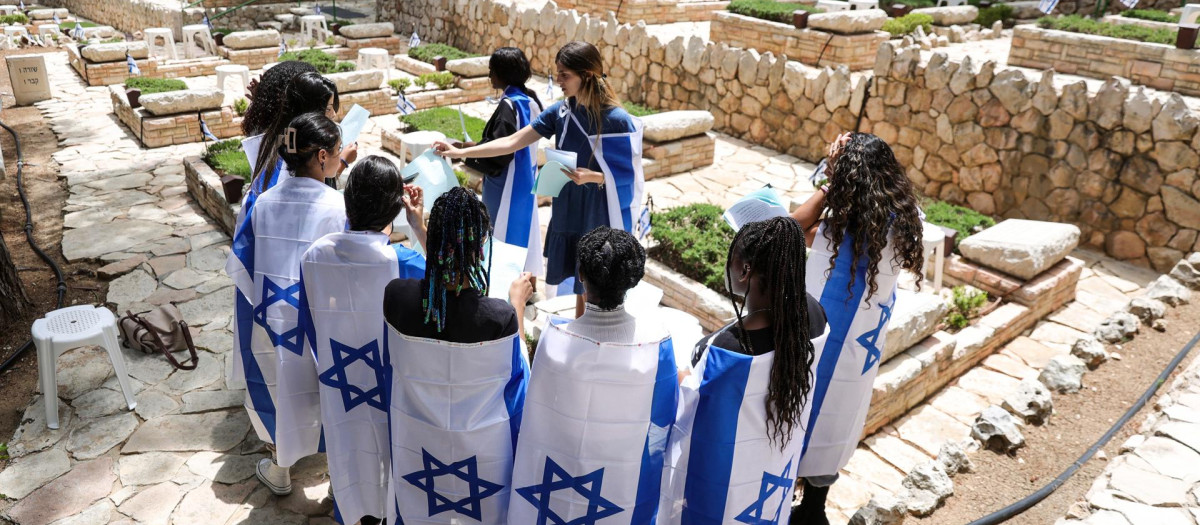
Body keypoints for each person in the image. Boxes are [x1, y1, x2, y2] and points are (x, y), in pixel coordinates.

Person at [435, 41, 645, 318]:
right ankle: (579, 328)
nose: (558, 81)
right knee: (578, 273)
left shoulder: (616, 119)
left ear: (587, 75)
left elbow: (630, 174)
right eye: (557, 73)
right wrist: (461, 151)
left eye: (564, 75)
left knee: (595, 276)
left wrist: (593, 176)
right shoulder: (561, 112)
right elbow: (511, 141)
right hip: (568, 205)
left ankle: (590, 331)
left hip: (597, 209)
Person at [790, 132, 925, 524]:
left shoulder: (839, 233)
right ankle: (815, 509)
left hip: (828, 343)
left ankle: (785, 501)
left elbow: (794, 226)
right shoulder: (904, 222)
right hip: (863, 349)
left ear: (848, 177)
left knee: (808, 406)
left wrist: (830, 181)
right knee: (838, 414)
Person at [658, 217, 826, 524]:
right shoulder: (813, 314)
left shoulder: (726, 351)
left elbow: (689, 408)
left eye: (732, 261)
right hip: (776, 455)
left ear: (745, 270)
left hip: (725, 476)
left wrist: (681, 370)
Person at [384, 186, 535, 525]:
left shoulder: (397, 299)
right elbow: (520, 384)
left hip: (417, 452)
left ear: (434, 243)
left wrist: (421, 229)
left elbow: (439, 303)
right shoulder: (499, 319)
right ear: (481, 251)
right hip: (481, 464)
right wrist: (518, 308)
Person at [508, 227, 677, 525]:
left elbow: (531, 397)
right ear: (633, 280)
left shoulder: (555, 338)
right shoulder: (656, 347)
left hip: (555, 474)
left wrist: (517, 309)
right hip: (618, 483)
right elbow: (663, 421)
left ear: (581, 275)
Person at [296, 156, 426, 525]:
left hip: (340, 381)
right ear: (395, 207)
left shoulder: (315, 255)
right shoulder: (404, 261)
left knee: (349, 452)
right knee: (389, 460)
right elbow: (452, 286)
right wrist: (419, 227)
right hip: (391, 385)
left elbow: (311, 324)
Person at [225, 111, 349, 496]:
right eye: (340, 153)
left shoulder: (263, 201)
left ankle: (280, 469)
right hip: (320, 320)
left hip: (273, 319)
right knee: (327, 389)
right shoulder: (339, 205)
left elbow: (242, 263)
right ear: (324, 157)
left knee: (280, 387)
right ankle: (337, 475)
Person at [463, 47, 545, 273]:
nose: (490, 76)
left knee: (500, 234)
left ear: (502, 73)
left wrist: (468, 152)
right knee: (523, 234)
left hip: (506, 183)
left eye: (492, 71)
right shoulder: (531, 100)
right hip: (527, 179)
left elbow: (499, 152)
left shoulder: (508, 105)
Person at [246, 71, 358, 196]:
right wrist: (342, 160)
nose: (333, 114)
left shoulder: (285, 140)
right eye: (327, 108)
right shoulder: (286, 163)